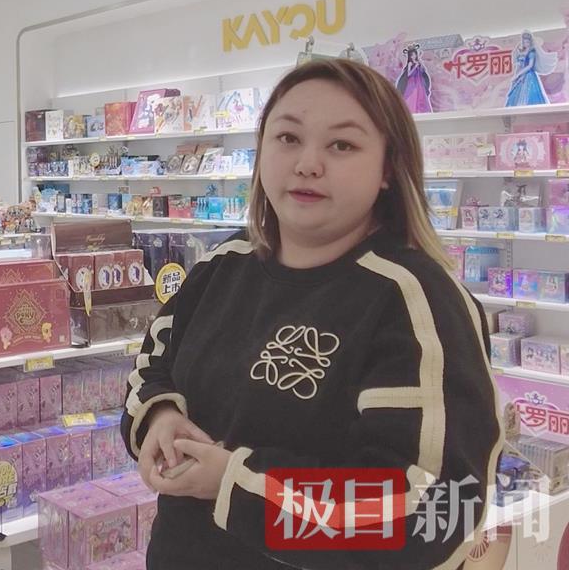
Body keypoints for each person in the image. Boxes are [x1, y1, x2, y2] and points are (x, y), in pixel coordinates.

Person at [123, 59, 501, 569]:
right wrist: (160, 416)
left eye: (341, 145)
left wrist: (234, 483)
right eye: (288, 138)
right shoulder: (222, 265)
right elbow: (152, 367)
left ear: (389, 168)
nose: (307, 164)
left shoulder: (415, 299)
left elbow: (432, 505)